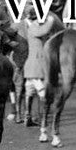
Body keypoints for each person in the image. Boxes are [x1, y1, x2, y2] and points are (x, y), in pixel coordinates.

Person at [23, 13, 55, 143]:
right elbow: (43, 30)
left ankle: (27, 117)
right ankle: (43, 129)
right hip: (37, 67)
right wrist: (51, 20)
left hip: (31, 67)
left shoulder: (33, 27)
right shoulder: (34, 27)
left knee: (29, 93)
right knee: (43, 96)